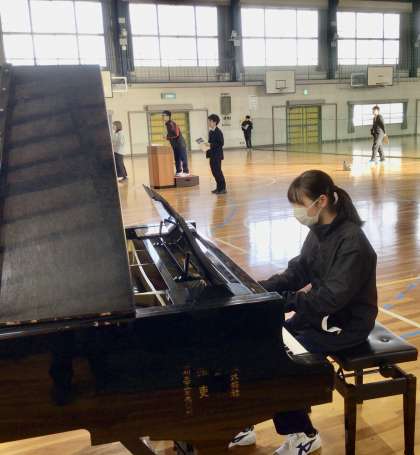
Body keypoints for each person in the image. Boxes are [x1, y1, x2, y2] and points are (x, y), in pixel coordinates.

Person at [230, 170, 378, 454]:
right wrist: (258, 289)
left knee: (280, 359)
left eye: (300, 203)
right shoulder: (320, 232)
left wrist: (282, 301)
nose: (296, 211)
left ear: (321, 201)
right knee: (255, 340)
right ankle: (244, 421)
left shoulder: (353, 243)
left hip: (345, 324)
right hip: (319, 316)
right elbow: (297, 272)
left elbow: (330, 299)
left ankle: (304, 435)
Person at [162, 110, 189, 176]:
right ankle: (178, 171)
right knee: (177, 158)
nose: (163, 117)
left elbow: (176, 133)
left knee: (183, 158)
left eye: (164, 115)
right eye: (162, 116)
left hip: (180, 144)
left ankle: (186, 172)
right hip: (175, 145)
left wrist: (167, 137)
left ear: (168, 116)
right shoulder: (166, 124)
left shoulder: (171, 123)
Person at [207, 114, 226, 194]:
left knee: (218, 172)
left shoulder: (218, 132)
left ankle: (223, 188)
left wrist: (210, 145)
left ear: (214, 122)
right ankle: (218, 188)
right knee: (214, 172)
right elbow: (210, 143)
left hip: (217, 155)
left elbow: (221, 143)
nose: (208, 123)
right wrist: (205, 146)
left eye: (210, 121)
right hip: (212, 155)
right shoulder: (211, 131)